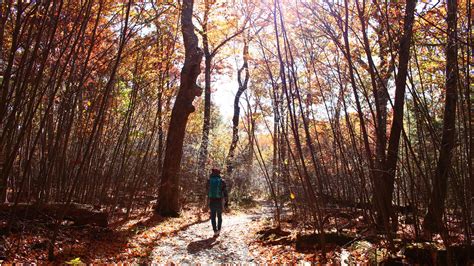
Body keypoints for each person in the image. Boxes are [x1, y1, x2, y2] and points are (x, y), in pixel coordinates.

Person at [206, 168, 228, 236]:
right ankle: (218, 230)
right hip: (219, 200)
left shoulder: (209, 181)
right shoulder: (222, 181)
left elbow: (207, 190)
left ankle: (215, 231)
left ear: (212, 173)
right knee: (219, 216)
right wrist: (226, 202)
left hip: (212, 200)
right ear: (219, 173)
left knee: (213, 216)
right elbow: (225, 192)